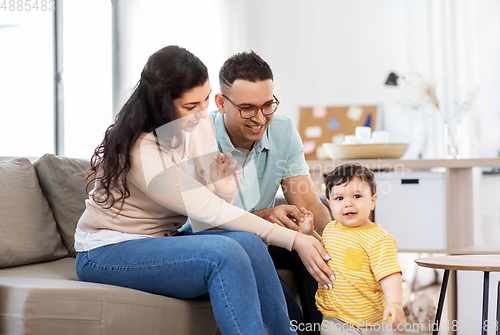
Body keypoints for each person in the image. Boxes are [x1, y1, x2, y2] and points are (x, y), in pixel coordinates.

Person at [74, 45, 335, 335]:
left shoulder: (198, 127)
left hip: (160, 242)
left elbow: (207, 220)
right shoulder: (142, 146)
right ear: (161, 103)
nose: (202, 113)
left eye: (205, 100)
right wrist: (295, 240)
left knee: (250, 243)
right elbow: (207, 210)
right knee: (227, 254)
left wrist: (223, 189)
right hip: (107, 250)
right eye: (190, 106)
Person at [211, 50, 332, 333]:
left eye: (268, 105)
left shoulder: (283, 130)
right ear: (220, 102)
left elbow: (307, 200)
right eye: (247, 108)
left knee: (314, 246)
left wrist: (337, 239)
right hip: (225, 242)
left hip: (266, 241)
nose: (260, 118)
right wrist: (265, 216)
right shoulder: (200, 137)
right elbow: (204, 221)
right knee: (252, 254)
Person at [316, 163, 406, 335]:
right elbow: (322, 252)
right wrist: (306, 232)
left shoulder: (379, 239)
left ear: (372, 201)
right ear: (329, 203)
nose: (348, 204)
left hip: (373, 323)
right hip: (335, 319)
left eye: (357, 196)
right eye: (339, 198)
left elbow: (390, 275)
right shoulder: (330, 230)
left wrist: (394, 303)